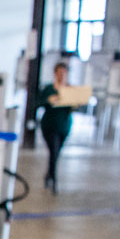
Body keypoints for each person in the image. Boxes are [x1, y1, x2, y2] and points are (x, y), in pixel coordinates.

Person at [37, 61, 73, 194]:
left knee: (56, 153)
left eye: (64, 73)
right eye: (59, 73)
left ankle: (48, 175)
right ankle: (54, 181)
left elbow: (71, 108)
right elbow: (38, 102)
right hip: (49, 125)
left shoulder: (70, 89)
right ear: (55, 73)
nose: (62, 76)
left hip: (64, 126)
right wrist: (48, 100)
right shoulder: (48, 89)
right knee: (54, 151)